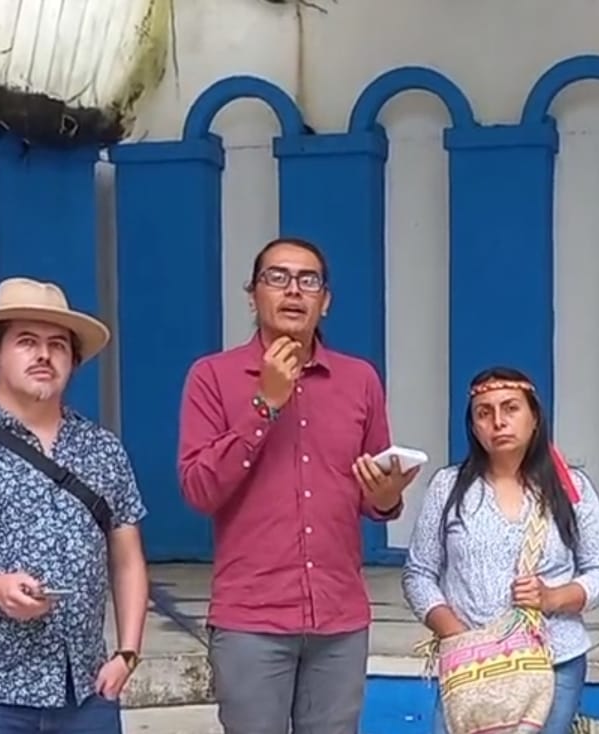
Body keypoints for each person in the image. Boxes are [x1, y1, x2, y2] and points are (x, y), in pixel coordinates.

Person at [177, 237, 419, 734]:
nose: (293, 291)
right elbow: (199, 489)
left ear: (325, 301)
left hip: (339, 618)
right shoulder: (212, 377)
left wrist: (386, 497)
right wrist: (265, 404)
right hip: (251, 618)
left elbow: (377, 490)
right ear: (253, 295)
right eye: (277, 278)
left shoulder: (360, 379)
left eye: (308, 281)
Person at [0, 277, 149, 733]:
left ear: (73, 360)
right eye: (26, 341)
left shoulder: (102, 450)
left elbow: (127, 558)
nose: (44, 355)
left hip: (86, 693)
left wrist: (128, 652)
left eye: (58, 344)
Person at [402, 366, 599, 734]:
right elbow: (418, 573)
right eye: (484, 413)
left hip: (552, 660)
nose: (498, 422)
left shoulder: (570, 487)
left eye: (511, 408)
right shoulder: (448, 487)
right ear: (473, 427)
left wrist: (553, 597)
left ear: (534, 418)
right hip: (469, 666)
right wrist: (456, 634)